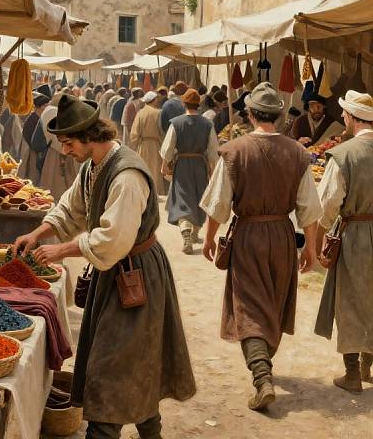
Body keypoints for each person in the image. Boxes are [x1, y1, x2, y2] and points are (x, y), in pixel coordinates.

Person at [13, 94, 196, 438]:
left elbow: (114, 239)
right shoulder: (92, 166)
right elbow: (72, 208)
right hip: (114, 272)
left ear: (89, 136)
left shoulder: (127, 175)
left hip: (136, 274)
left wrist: (63, 250)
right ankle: (150, 432)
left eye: (68, 143)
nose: (64, 150)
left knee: (112, 366)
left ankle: (104, 431)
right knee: (136, 360)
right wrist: (39, 233)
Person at [200, 82, 322, 411]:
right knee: (274, 301)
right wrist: (309, 246)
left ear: (251, 114)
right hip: (283, 235)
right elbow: (309, 207)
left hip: (249, 237)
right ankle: (264, 363)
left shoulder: (234, 150)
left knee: (249, 306)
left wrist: (210, 237)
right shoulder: (298, 152)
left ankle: (261, 375)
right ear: (279, 117)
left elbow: (218, 204)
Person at [314, 90, 373, 393]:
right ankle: (367, 366)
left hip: (354, 234)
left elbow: (328, 202)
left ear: (349, 118)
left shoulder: (344, 154)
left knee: (349, 299)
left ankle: (352, 373)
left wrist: (326, 230)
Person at [161, 89, 218, 254]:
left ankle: (186, 232)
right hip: (200, 164)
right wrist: (213, 168)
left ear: (183, 104)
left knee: (183, 197)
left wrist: (164, 165)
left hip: (183, 165)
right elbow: (213, 150)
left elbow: (168, 147)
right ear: (198, 105)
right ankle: (194, 232)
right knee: (199, 196)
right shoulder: (208, 124)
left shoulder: (176, 123)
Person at [34, 97, 78, 201]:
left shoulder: (48, 112)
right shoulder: (53, 113)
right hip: (62, 153)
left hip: (55, 153)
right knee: (61, 186)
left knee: (53, 185)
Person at [130, 91, 165, 194]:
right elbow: (161, 132)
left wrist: (138, 142)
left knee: (144, 171)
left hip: (143, 146)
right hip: (155, 146)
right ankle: (155, 192)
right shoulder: (158, 113)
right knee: (155, 171)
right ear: (153, 100)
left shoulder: (140, 113)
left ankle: (144, 193)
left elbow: (134, 134)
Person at [18, 94, 51, 183]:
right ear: (40, 106)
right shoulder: (33, 119)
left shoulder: (38, 118)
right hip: (31, 153)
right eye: (46, 105)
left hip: (34, 152)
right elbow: (30, 138)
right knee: (32, 177)